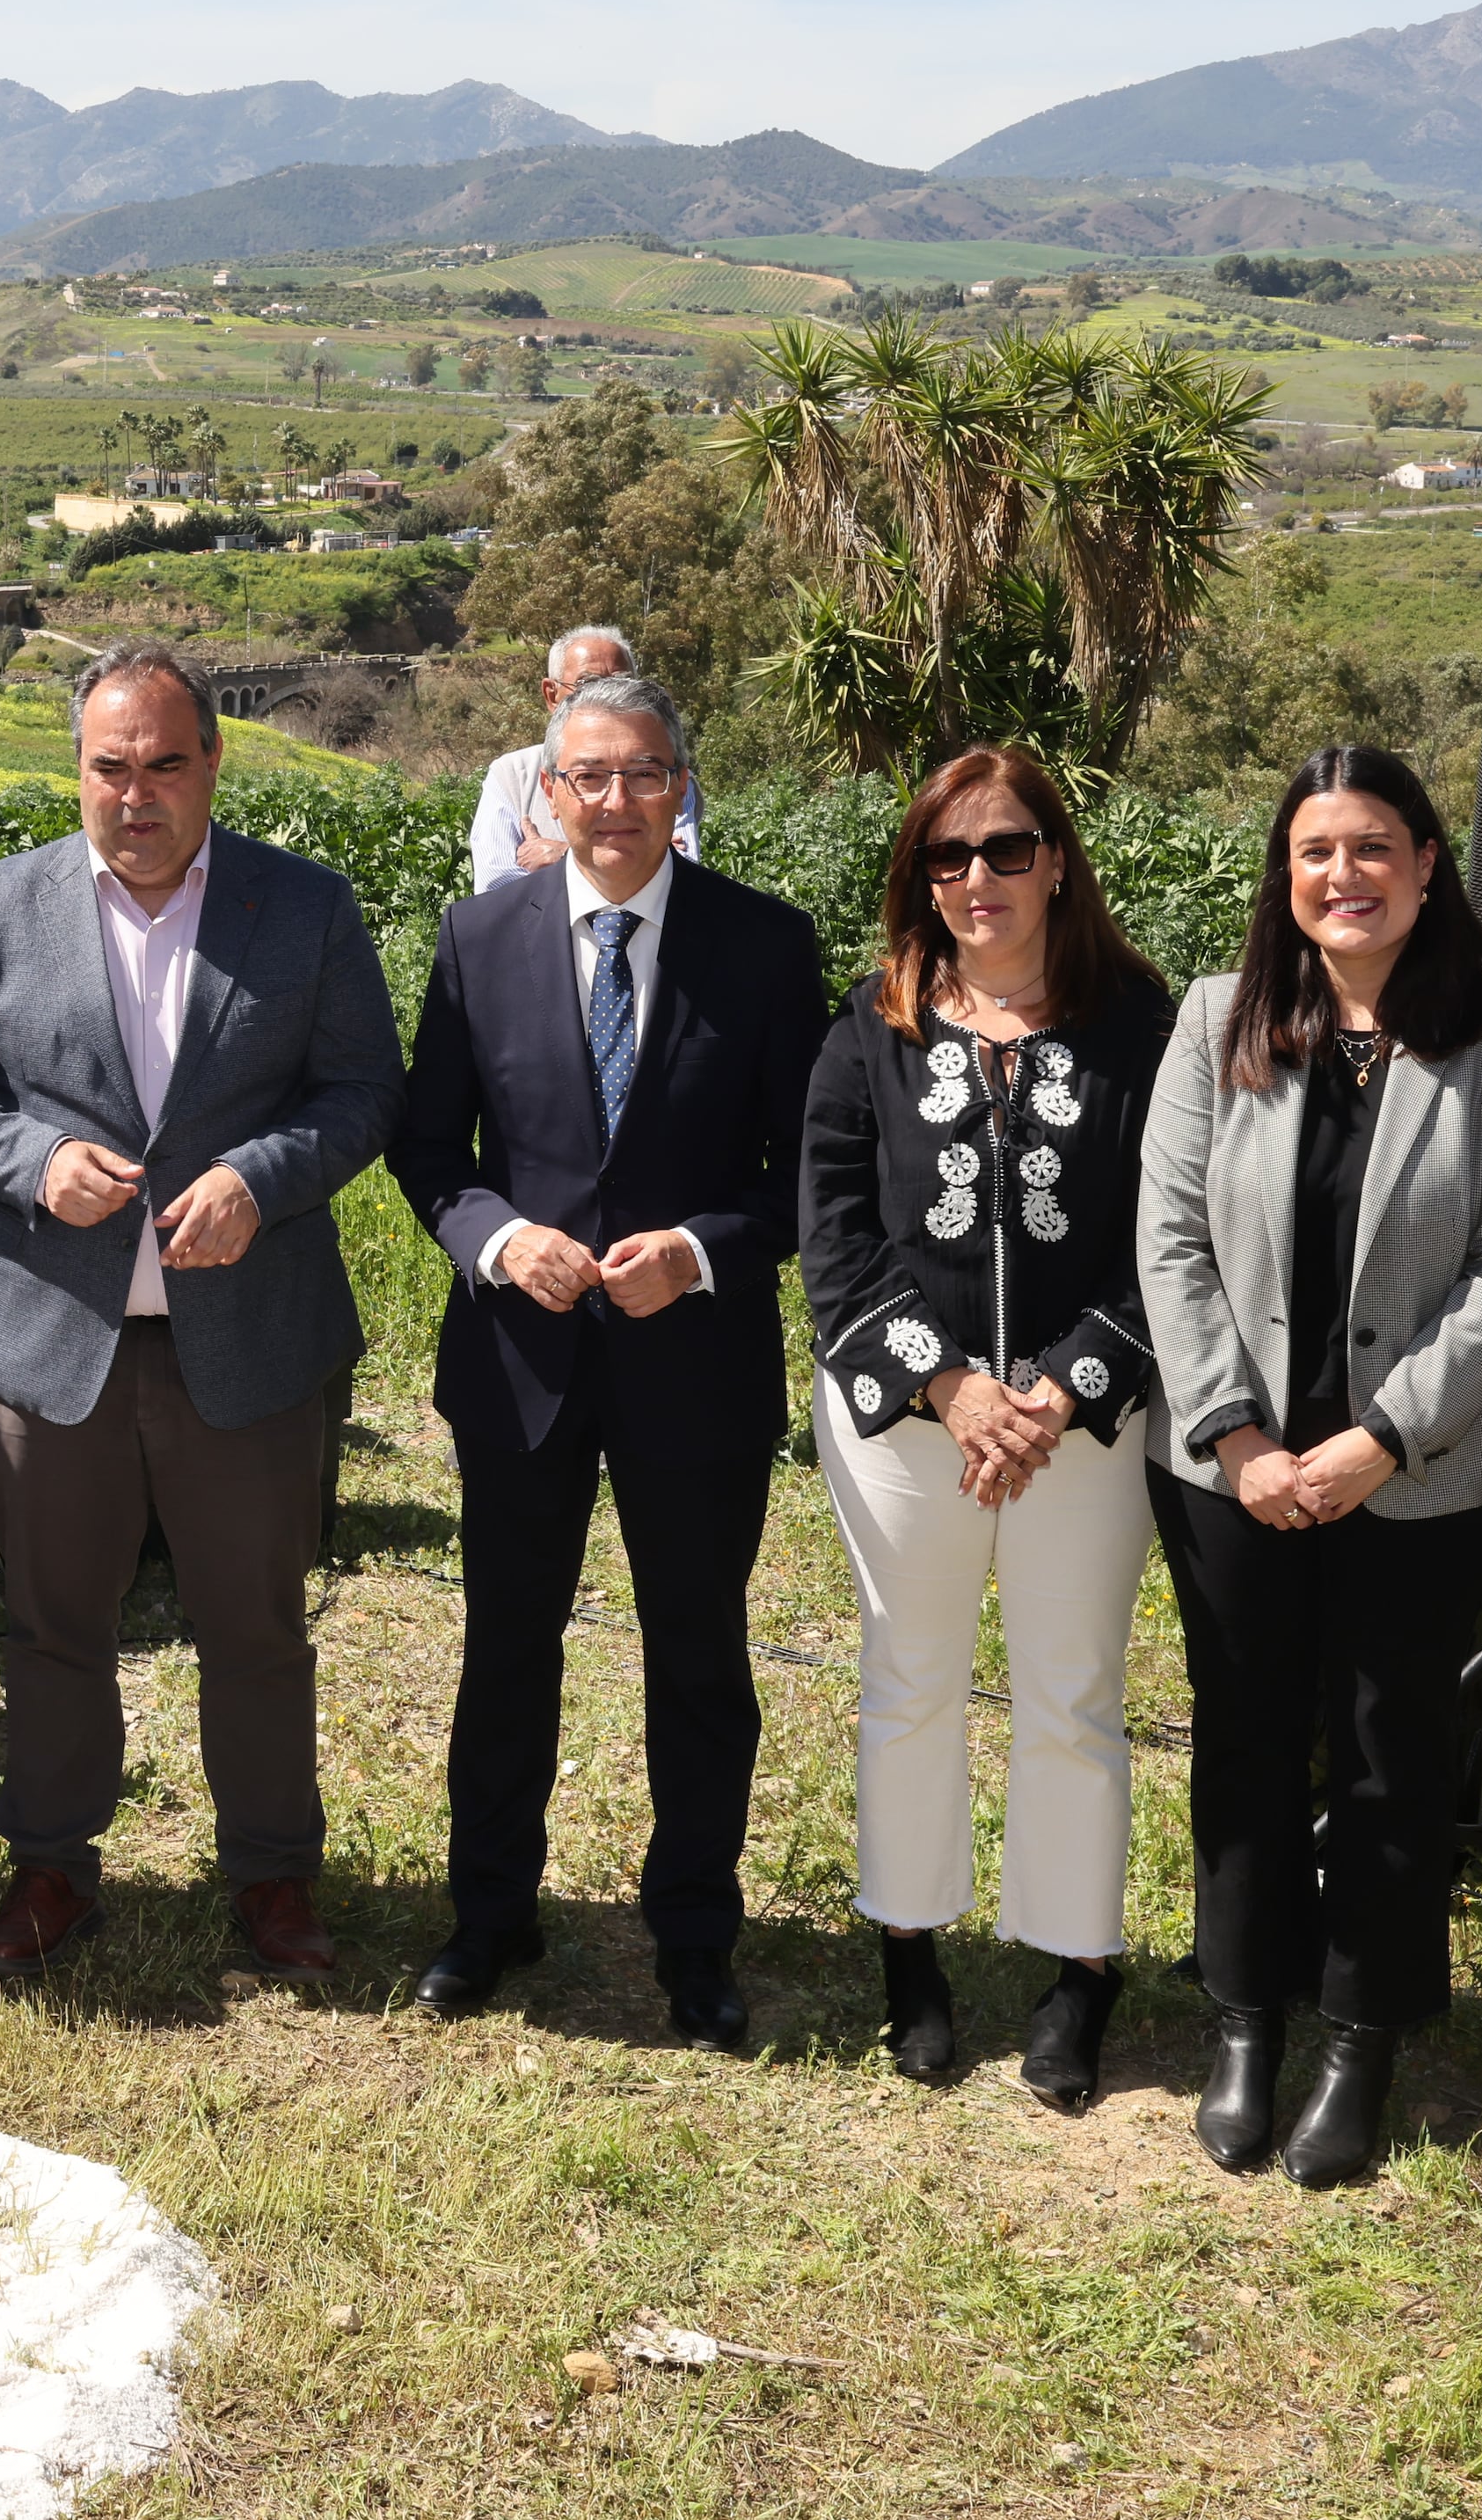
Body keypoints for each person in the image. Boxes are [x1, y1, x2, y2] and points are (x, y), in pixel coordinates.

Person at [0, 641, 406, 1983]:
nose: (137, 793)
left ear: (213, 763)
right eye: (111, 767)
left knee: (258, 1628)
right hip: (53, 1340)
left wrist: (258, 1176)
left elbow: (361, 1092)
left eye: (166, 763)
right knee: (58, 1625)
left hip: (252, 1341)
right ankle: (52, 1866)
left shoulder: (305, 907)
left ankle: (275, 1879)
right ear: (78, 771)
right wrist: (30, 1162)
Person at [1135, 747, 1482, 2185]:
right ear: (1287, 872)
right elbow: (1171, 1243)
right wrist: (1238, 1438)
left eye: (1373, 845)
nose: (1344, 874)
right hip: (1236, 1473)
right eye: (1316, 849)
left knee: (1392, 1755)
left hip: (1426, 1472)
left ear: (1428, 862)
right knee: (1246, 1737)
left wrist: (1382, 1437)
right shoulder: (1218, 1020)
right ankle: (1247, 2018)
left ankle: (1362, 2036)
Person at [388, 672, 823, 2046]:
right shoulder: (478, 937)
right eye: (590, 776)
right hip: (521, 1364)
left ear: (681, 786)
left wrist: (695, 1250)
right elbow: (426, 1151)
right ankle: (489, 1914)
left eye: (643, 773)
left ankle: (695, 1931)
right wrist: (500, 1239)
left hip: (694, 1367)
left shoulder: (761, 945)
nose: (617, 801)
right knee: (508, 1646)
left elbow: (805, 1175)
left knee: (697, 1655)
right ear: (547, 793)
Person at [799, 744, 1172, 2107]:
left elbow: (1168, 1238)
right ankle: (912, 1947)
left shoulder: (1140, 1026)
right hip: (910, 1426)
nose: (977, 879)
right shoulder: (871, 1027)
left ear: (1056, 860)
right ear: (921, 879)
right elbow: (835, 1246)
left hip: (1086, 1427)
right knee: (912, 1679)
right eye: (947, 857)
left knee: (1074, 1693)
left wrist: (1064, 1387)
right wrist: (953, 1387)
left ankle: (1077, 1968)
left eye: (1006, 849)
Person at [464, 626, 700, 893]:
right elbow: (496, 889)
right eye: (588, 683)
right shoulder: (512, 775)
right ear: (551, 694)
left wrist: (562, 856)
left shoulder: (663, 769)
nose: (605, 694)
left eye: (621, 682)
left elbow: (685, 874)